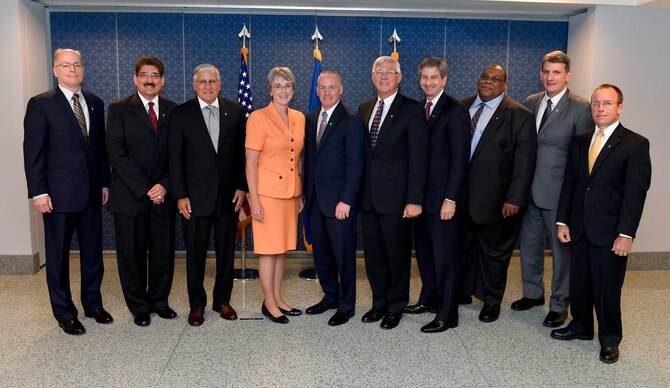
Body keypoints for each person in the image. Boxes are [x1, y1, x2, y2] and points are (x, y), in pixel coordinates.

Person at [552, 84, 651, 364]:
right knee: (580, 282)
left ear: (619, 107)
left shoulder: (635, 143)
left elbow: (635, 194)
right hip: (579, 228)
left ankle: (609, 339)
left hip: (610, 233)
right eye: (596, 103)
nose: (600, 109)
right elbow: (570, 185)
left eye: (607, 103)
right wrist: (562, 221)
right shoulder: (580, 141)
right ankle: (581, 326)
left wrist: (626, 234)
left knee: (607, 289)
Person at [23, 48, 112, 335]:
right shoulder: (41, 104)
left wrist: (103, 183)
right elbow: (33, 151)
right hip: (57, 196)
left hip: (90, 194)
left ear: (83, 69)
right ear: (55, 70)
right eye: (66, 65)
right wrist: (38, 192)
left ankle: (93, 304)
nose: (72, 69)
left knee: (92, 253)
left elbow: (99, 150)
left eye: (77, 65)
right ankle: (64, 313)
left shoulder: (96, 104)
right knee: (58, 257)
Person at [514, 51, 593, 328]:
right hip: (528, 191)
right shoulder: (530, 102)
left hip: (560, 194)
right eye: (546, 72)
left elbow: (581, 160)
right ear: (540, 74)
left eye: (556, 72)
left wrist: (574, 200)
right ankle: (533, 294)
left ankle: (559, 304)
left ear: (568, 75)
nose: (550, 77)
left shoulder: (582, 108)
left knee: (562, 255)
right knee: (529, 247)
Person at [168, 64, 247, 326]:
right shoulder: (180, 114)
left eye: (212, 81)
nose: (208, 86)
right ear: (194, 85)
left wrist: (242, 186)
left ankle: (222, 300)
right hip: (194, 199)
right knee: (195, 255)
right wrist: (179, 195)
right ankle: (197, 305)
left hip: (228, 198)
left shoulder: (235, 111)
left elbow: (241, 155)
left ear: (220, 84)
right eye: (202, 82)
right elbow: (175, 159)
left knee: (226, 253)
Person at [460, 64, 536, 323]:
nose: (488, 82)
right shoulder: (463, 106)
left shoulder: (520, 115)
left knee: (494, 254)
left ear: (504, 84)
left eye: (495, 79)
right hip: (461, 199)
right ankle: (465, 291)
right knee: (465, 249)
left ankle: (492, 300)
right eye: (484, 77)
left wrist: (515, 198)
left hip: (498, 200)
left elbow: (525, 162)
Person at [106, 56, 178, 327]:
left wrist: (165, 185)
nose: (150, 80)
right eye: (144, 75)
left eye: (155, 75)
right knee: (132, 256)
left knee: (162, 253)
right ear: (135, 78)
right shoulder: (119, 109)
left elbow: (177, 154)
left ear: (163, 80)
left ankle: (160, 301)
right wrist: (147, 188)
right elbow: (117, 153)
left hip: (163, 196)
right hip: (130, 197)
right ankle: (139, 306)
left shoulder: (173, 110)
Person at [358, 56, 428, 330]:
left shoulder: (412, 109)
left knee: (397, 256)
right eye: (379, 72)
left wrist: (414, 199)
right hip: (369, 197)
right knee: (373, 255)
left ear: (399, 77)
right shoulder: (365, 108)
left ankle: (396, 306)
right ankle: (379, 303)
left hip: (398, 199)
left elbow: (418, 159)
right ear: (372, 77)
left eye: (390, 72)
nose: (384, 76)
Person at [406, 57, 470, 333]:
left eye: (434, 77)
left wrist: (451, 199)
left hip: (444, 202)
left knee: (445, 260)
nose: (428, 82)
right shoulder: (420, 108)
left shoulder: (456, 111)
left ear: (444, 79)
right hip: (422, 201)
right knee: (425, 256)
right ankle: (429, 299)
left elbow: (460, 160)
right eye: (424, 77)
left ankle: (448, 314)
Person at [303, 71, 364, 326]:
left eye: (332, 88)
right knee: (322, 253)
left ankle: (347, 304)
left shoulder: (351, 120)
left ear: (341, 89)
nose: (327, 92)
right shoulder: (311, 118)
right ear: (317, 91)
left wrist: (346, 200)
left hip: (339, 202)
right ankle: (330, 295)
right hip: (315, 199)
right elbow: (310, 160)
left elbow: (356, 165)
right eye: (322, 88)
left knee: (343, 254)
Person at [246, 67, 305, 324]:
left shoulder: (299, 117)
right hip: (267, 196)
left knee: (281, 251)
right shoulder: (258, 118)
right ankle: (268, 303)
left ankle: (278, 298)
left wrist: (299, 192)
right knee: (268, 251)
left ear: (293, 89)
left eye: (287, 86)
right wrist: (254, 200)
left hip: (290, 194)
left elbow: (297, 156)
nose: (283, 91)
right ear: (269, 90)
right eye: (278, 86)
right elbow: (250, 163)